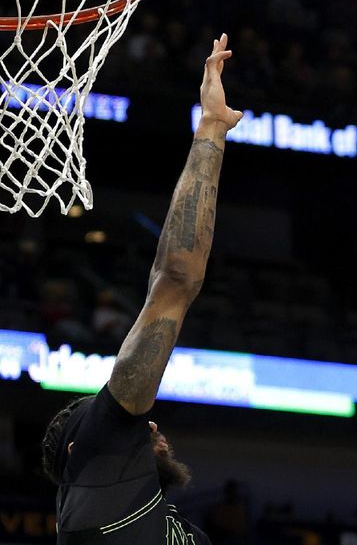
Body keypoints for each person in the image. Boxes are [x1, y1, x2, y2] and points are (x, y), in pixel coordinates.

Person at [39, 34, 244, 544]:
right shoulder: (95, 482)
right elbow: (175, 282)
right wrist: (212, 130)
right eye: (130, 424)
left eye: (131, 423)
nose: (149, 425)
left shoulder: (174, 527)